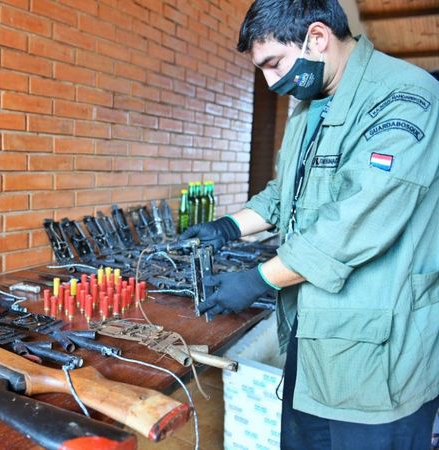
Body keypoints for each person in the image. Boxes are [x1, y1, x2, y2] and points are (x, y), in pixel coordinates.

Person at [182, 0, 439, 448]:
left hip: (378, 361)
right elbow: (285, 194)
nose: (271, 81)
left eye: (274, 63)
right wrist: (227, 227)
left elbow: (357, 221)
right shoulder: (310, 105)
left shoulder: (406, 96)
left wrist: (258, 279)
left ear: (317, 38)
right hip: (312, 338)